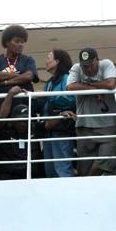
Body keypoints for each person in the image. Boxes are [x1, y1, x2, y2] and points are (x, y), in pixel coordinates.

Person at [67, 47, 116, 176]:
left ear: (98, 60)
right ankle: (87, 186)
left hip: (108, 125)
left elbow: (111, 84)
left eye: (91, 65)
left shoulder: (106, 64)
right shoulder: (76, 68)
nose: (88, 69)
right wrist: (96, 87)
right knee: (84, 168)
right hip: (84, 126)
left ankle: (89, 181)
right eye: (85, 66)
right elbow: (70, 86)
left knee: (106, 161)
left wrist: (88, 86)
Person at [0, 25, 39, 136]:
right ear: (7, 43)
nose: (21, 44)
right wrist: (17, 75)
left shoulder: (28, 59)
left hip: (24, 113)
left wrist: (5, 82)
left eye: (23, 42)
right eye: (17, 41)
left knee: (28, 148)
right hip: (1, 113)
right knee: (0, 146)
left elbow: (29, 76)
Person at [0, 87, 43, 180]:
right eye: (19, 120)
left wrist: (61, 115)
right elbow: (1, 118)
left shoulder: (35, 129)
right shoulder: (5, 131)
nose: (22, 124)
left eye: (25, 120)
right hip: (7, 176)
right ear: (13, 120)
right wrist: (10, 95)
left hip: (32, 177)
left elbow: (48, 125)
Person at [41, 49, 77, 177]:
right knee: (50, 170)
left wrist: (47, 97)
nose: (46, 61)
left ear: (57, 62)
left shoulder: (67, 78)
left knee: (62, 169)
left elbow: (70, 99)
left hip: (62, 128)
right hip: (49, 127)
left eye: (48, 58)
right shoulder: (50, 82)